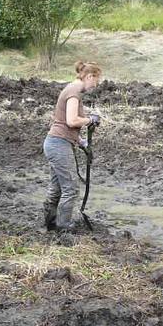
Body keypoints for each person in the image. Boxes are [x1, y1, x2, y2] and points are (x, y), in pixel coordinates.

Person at [42, 61, 103, 231]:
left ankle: (50, 223)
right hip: (58, 145)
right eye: (96, 80)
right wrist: (90, 119)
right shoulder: (74, 92)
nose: (96, 84)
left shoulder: (72, 90)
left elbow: (65, 123)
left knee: (57, 187)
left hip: (56, 143)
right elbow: (71, 120)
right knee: (71, 187)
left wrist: (82, 142)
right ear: (89, 76)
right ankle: (63, 226)